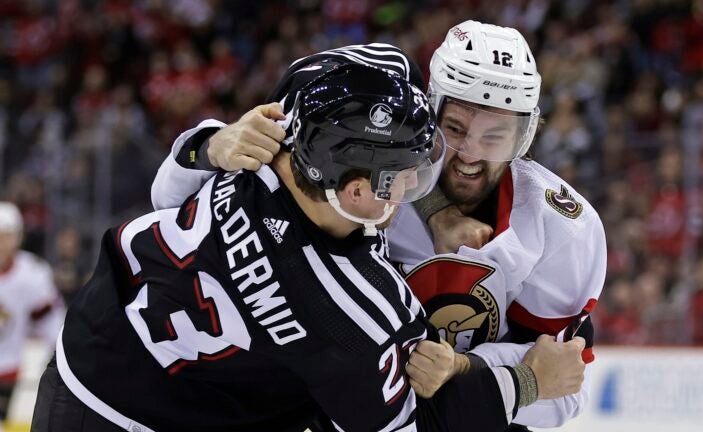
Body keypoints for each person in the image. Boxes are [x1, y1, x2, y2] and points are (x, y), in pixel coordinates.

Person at [32, 62, 585, 432]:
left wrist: (208, 144)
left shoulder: (263, 142)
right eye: (405, 179)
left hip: (92, 344)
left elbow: (164, 195)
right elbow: (413, 423)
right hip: (147, 418)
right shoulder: (353, 309)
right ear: (356, 192)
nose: (421, 188)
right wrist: (528, 381)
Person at [151, 23, 606, 429]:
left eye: (495, 136)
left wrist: (464, 369)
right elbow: (172, 204)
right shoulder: (350, 156)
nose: (469, 153)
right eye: (456, 127)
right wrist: (210, 146)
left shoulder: (562, 227)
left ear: (524, 136)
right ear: (429, 110)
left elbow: (563, 380)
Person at [0, 202, 63, 425]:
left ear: (18, 237)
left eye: (7, 235)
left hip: (17, 367)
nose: (2, 242)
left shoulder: (33, 273)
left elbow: (49, 320)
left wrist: (53, 357)